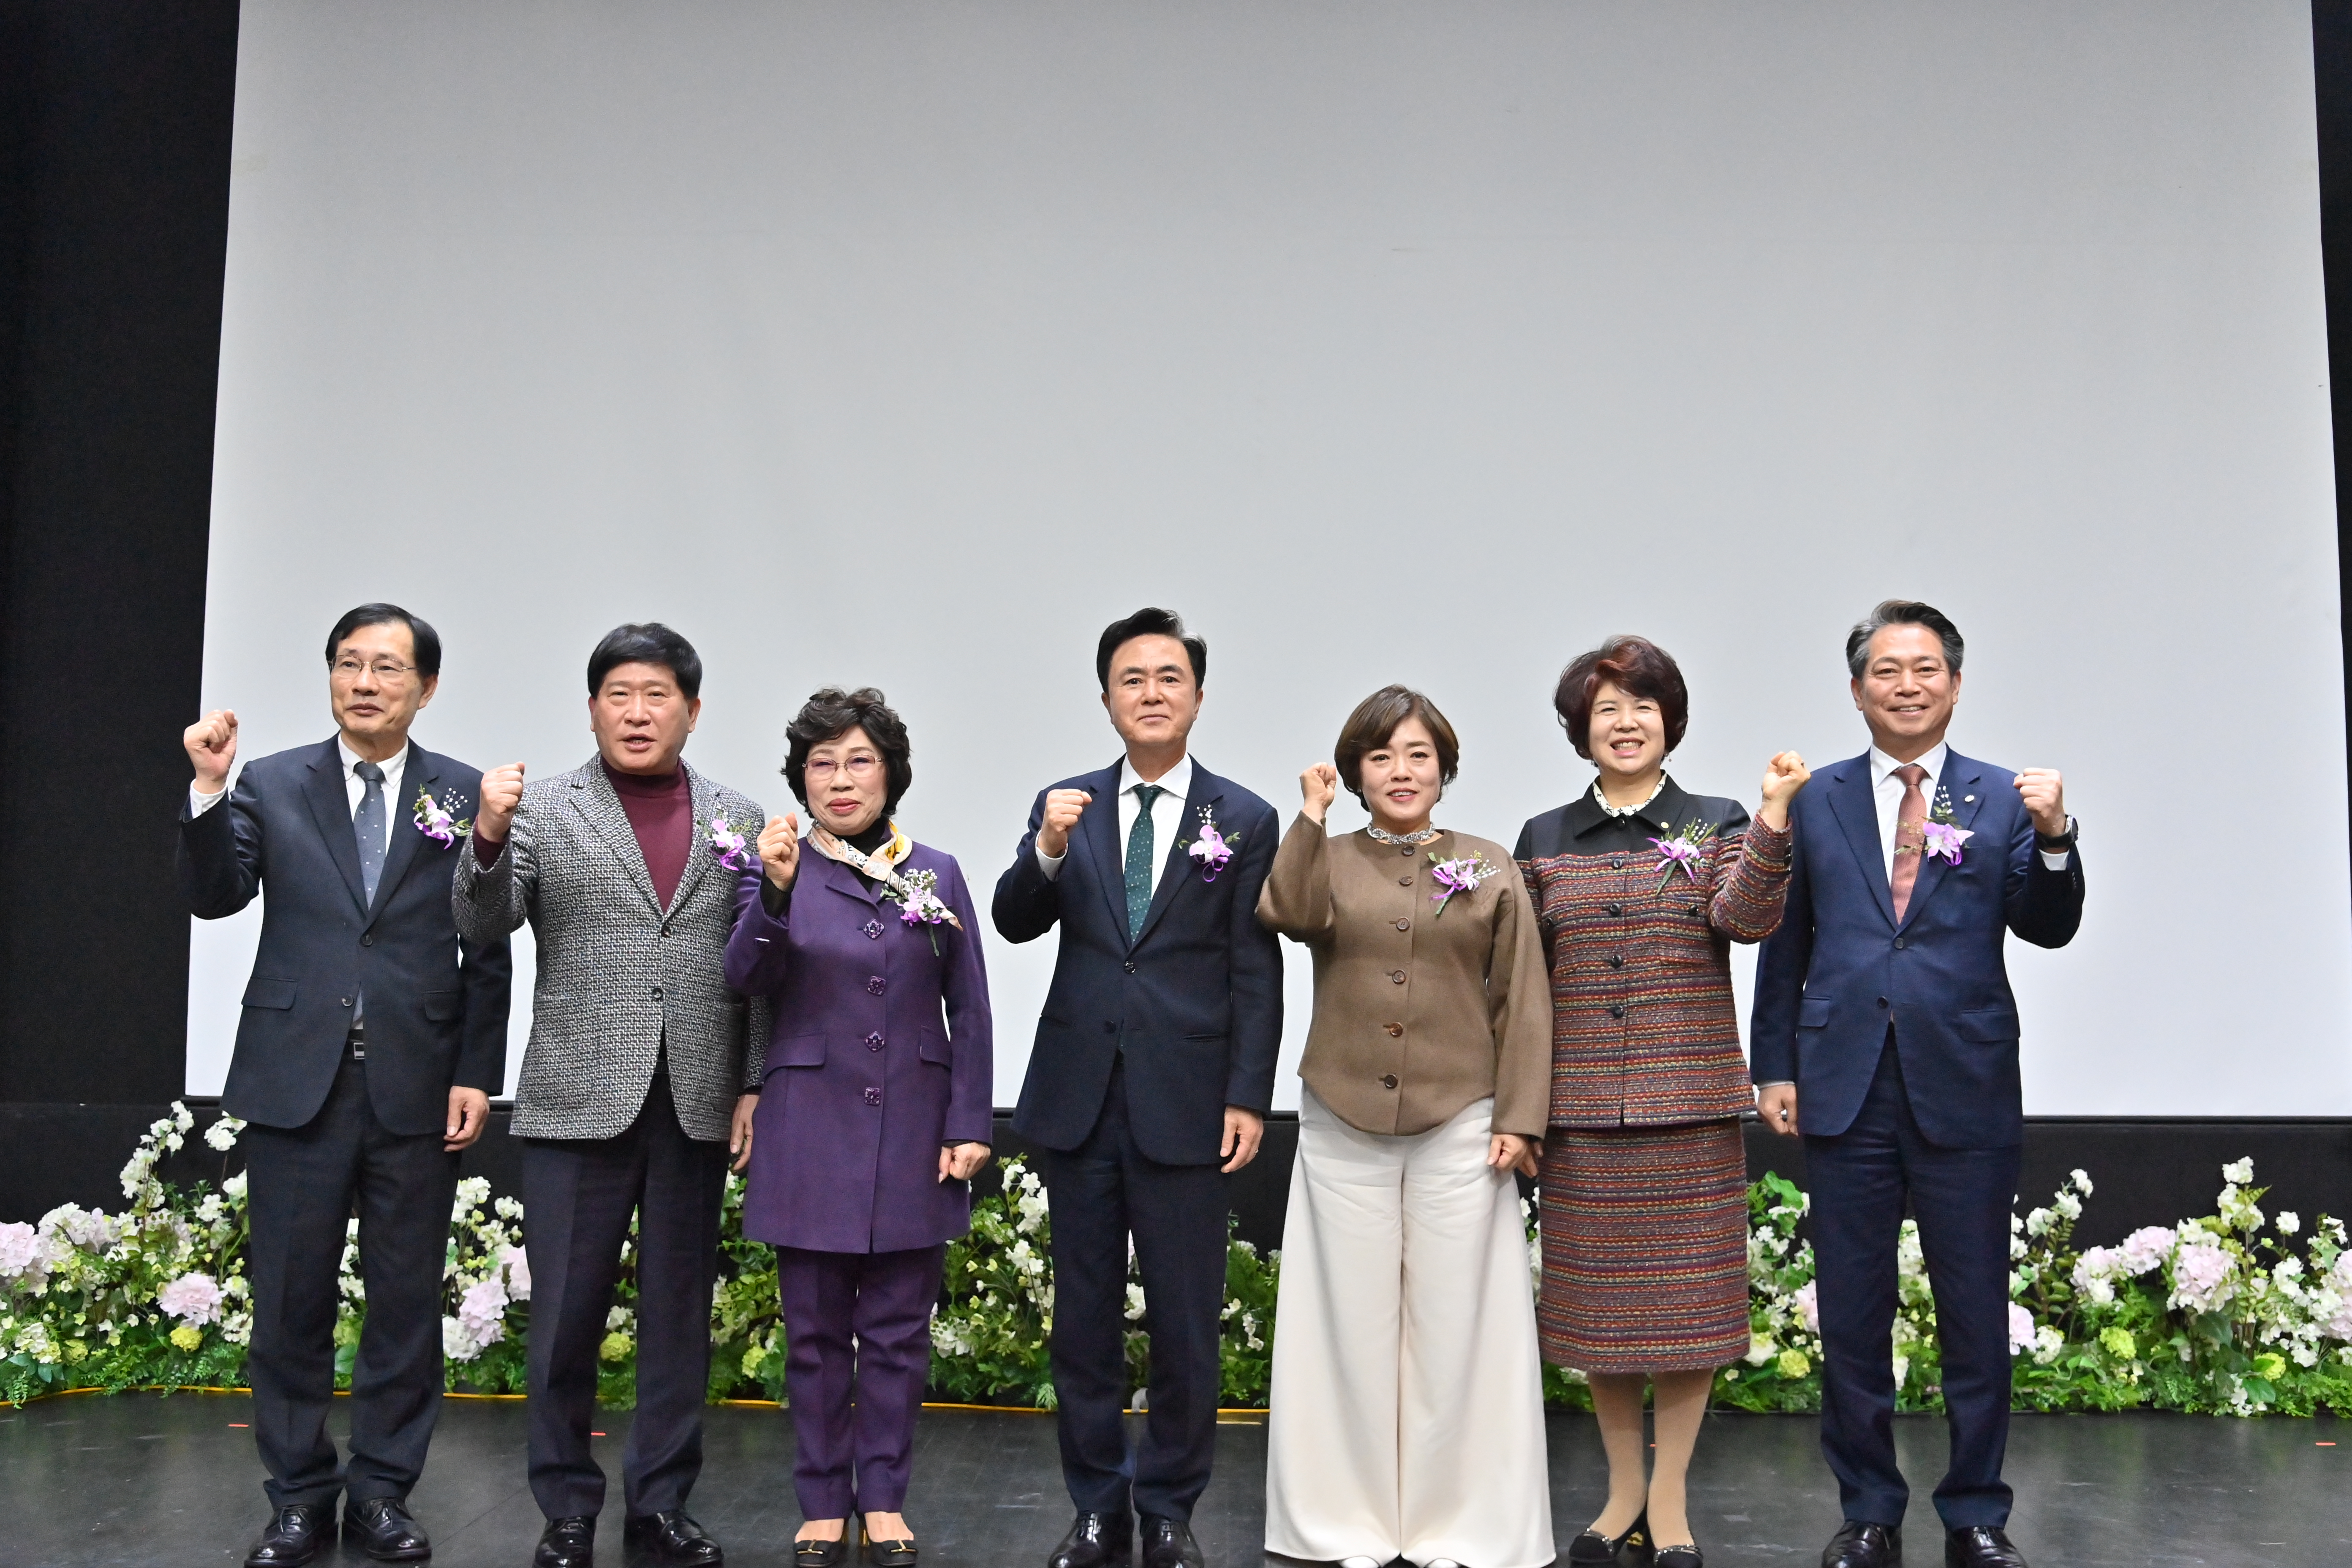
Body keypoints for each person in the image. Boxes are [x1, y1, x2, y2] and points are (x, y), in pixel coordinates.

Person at [178, 603, 511, 1568]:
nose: (365, 682)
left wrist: (477, 1073)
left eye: (387, 668)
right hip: (297, 1083)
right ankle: (297, 1498)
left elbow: (486, 942)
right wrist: (207, 787)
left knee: (405, 1305)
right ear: (331, 676)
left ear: (427, 686)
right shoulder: (272, 781)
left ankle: (380, 1494)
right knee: (289, 1301)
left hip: (415, 1083)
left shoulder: (461, 792)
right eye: (348, 665)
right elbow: (216, 895)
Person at [1750, 601, 2082, 1568]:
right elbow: (1786, 940)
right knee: (1853, 1312)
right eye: (1886, 669)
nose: (1907, 683)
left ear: (1956, 682)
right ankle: (1868, 1511)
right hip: (1842, 1083)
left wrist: (2057, 836)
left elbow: (2047, 924)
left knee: (1974, 1310)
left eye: (1926, 667)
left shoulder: (1999, 794)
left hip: (1965, 1085)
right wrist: (1774, 1060)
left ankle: (1977, 1512)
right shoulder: (1816, 798)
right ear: (1857, 689)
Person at [452, 623, 768, 1568]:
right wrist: (488, 834)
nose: (639, 711)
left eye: (659, 694)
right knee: (564, 1323)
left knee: (679, 1320)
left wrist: (752, 1081)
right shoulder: (543, 809)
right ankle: (567, 1509)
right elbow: (481, 920)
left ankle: (661, 1505)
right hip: (575, 1102)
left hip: (697, 1101)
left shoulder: (741, 816)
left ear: (693, 709)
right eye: (620, 693)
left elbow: (759, 965)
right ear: (593, 706)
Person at [992, 607, 1282, 1568]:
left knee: (1185, 1320)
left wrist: (1247, 1093)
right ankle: (1095, 1503)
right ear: (1108, 695)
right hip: (1081, 1096)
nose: (1151, 692)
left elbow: (1255, 966)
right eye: (1132, 678)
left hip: (1189, 1100)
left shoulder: (1241, 817)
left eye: (1169, 677)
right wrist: (1041, 848)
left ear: (1197, 695)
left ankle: (1168, 1506)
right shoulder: (1065, 801)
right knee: (1082, 1317)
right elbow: (1015, 918)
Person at [1514, 635, 1809, 1568]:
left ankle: (1671, 1502)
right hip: (1582, 1111)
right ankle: (1620, 1494)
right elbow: (1522, 981)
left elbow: (1747, 919)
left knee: (1689, 1318)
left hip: (1689, 1106)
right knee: (1602, 1320)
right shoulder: (1544, 835)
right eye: (1606, 708)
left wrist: (1769, 818)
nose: (1626, 721)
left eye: (1642, 705)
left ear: (1669, 720)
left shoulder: (1717, 820)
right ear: (1582, 729)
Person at [1257, 686, 1554, 1568]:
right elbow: (1287, 911)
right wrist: (1308, 818)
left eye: (1418, 754)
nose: (1401, 770)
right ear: (1355, 771)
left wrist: (1520, 1115)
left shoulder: (1490, 863)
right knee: (1344, 1322)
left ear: (1445, 768)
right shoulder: (1328, 854)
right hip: (1342, 1114)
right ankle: (1343, 1522)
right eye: (1382, 756)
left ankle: (1459, 1522)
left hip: (1462, 1120)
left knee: (1461, 1323)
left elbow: (1525, 999)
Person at [722, 688, 994, 1568]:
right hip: (808, 1128)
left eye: (859, 760)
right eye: (822, 763)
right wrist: (772, 888)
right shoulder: (781, 863)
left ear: (892, 773)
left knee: (897, 1333)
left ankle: (881, 1495)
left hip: (916, 1129)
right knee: (810, 1332)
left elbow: (972, 1007)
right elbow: (743, 978)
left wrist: (970, 1120)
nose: (840, 780)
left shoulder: (939, 872)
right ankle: (819, 1496)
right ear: (801, 778)